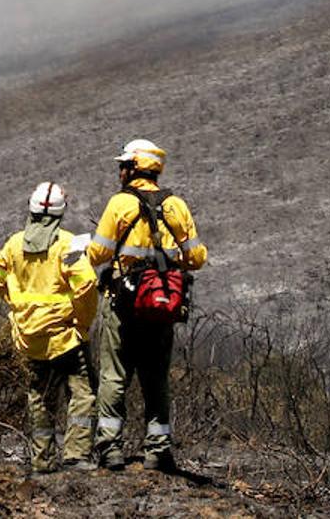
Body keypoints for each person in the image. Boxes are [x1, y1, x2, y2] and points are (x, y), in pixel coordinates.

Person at [86, 139, 207, 472]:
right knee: (156, 378)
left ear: (133, 168)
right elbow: (197, 257)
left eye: (122, 165)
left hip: (121, 304)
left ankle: (110, 449)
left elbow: (97, 254)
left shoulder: (120, 205)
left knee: (114, 376)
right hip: (160, 305)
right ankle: (158, 452)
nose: (119, 171)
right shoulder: (176, 206)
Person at [0, 182, 99, 473]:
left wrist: (20, 307)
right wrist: (82, 322)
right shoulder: (69, 244)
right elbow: (86, 284)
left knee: (39, 398)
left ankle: (42, 462)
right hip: (66, 337)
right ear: (61, 213)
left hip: (29, 338)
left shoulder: (14, 244)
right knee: (82, 393)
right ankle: (75, 456)